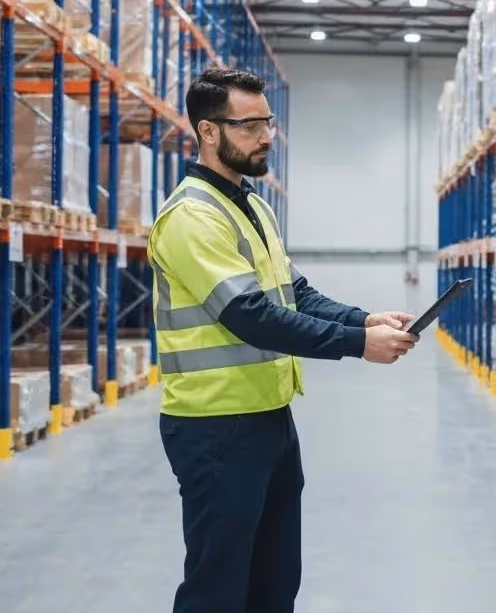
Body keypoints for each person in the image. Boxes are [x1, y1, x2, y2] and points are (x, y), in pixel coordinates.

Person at [148, 67, 419, 612]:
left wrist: (365, 320)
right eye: (249, 126)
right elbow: (249, 316)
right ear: (208, 132)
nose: (266, 136)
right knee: (218, 589)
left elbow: (294, 293)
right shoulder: (191, 216)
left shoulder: (252, 206)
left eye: (267, 123)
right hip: (215, 426)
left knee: (274, 582)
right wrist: (356, 344)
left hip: (269, 417)